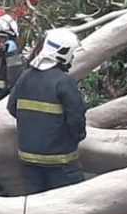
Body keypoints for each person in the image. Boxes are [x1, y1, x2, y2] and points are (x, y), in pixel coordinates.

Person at [7, 28, 87, 194]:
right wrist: (76, 136)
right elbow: (76, 120)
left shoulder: (25, 77)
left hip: (28, 158)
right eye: (71, 54)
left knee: (35, 204)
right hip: (60, 162)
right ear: (63, 53)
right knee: (70, 201)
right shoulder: (64, 82)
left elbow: (12, 108)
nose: (72, 58)